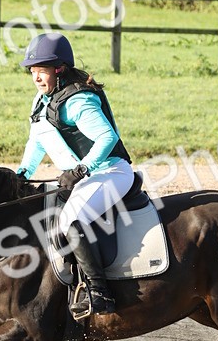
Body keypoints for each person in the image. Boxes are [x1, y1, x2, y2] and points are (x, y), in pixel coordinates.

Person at [17, 32, 134, 319]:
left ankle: (99, 292)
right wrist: (22, 174)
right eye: (32, 71)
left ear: (59, 69)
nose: (35, 78)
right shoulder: (42, 100)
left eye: (40, 70)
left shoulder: (78, 100)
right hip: (86, 176)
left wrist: (82, 169)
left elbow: (107, 137)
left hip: (110, 172)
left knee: (70, 219)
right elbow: (37, 141)